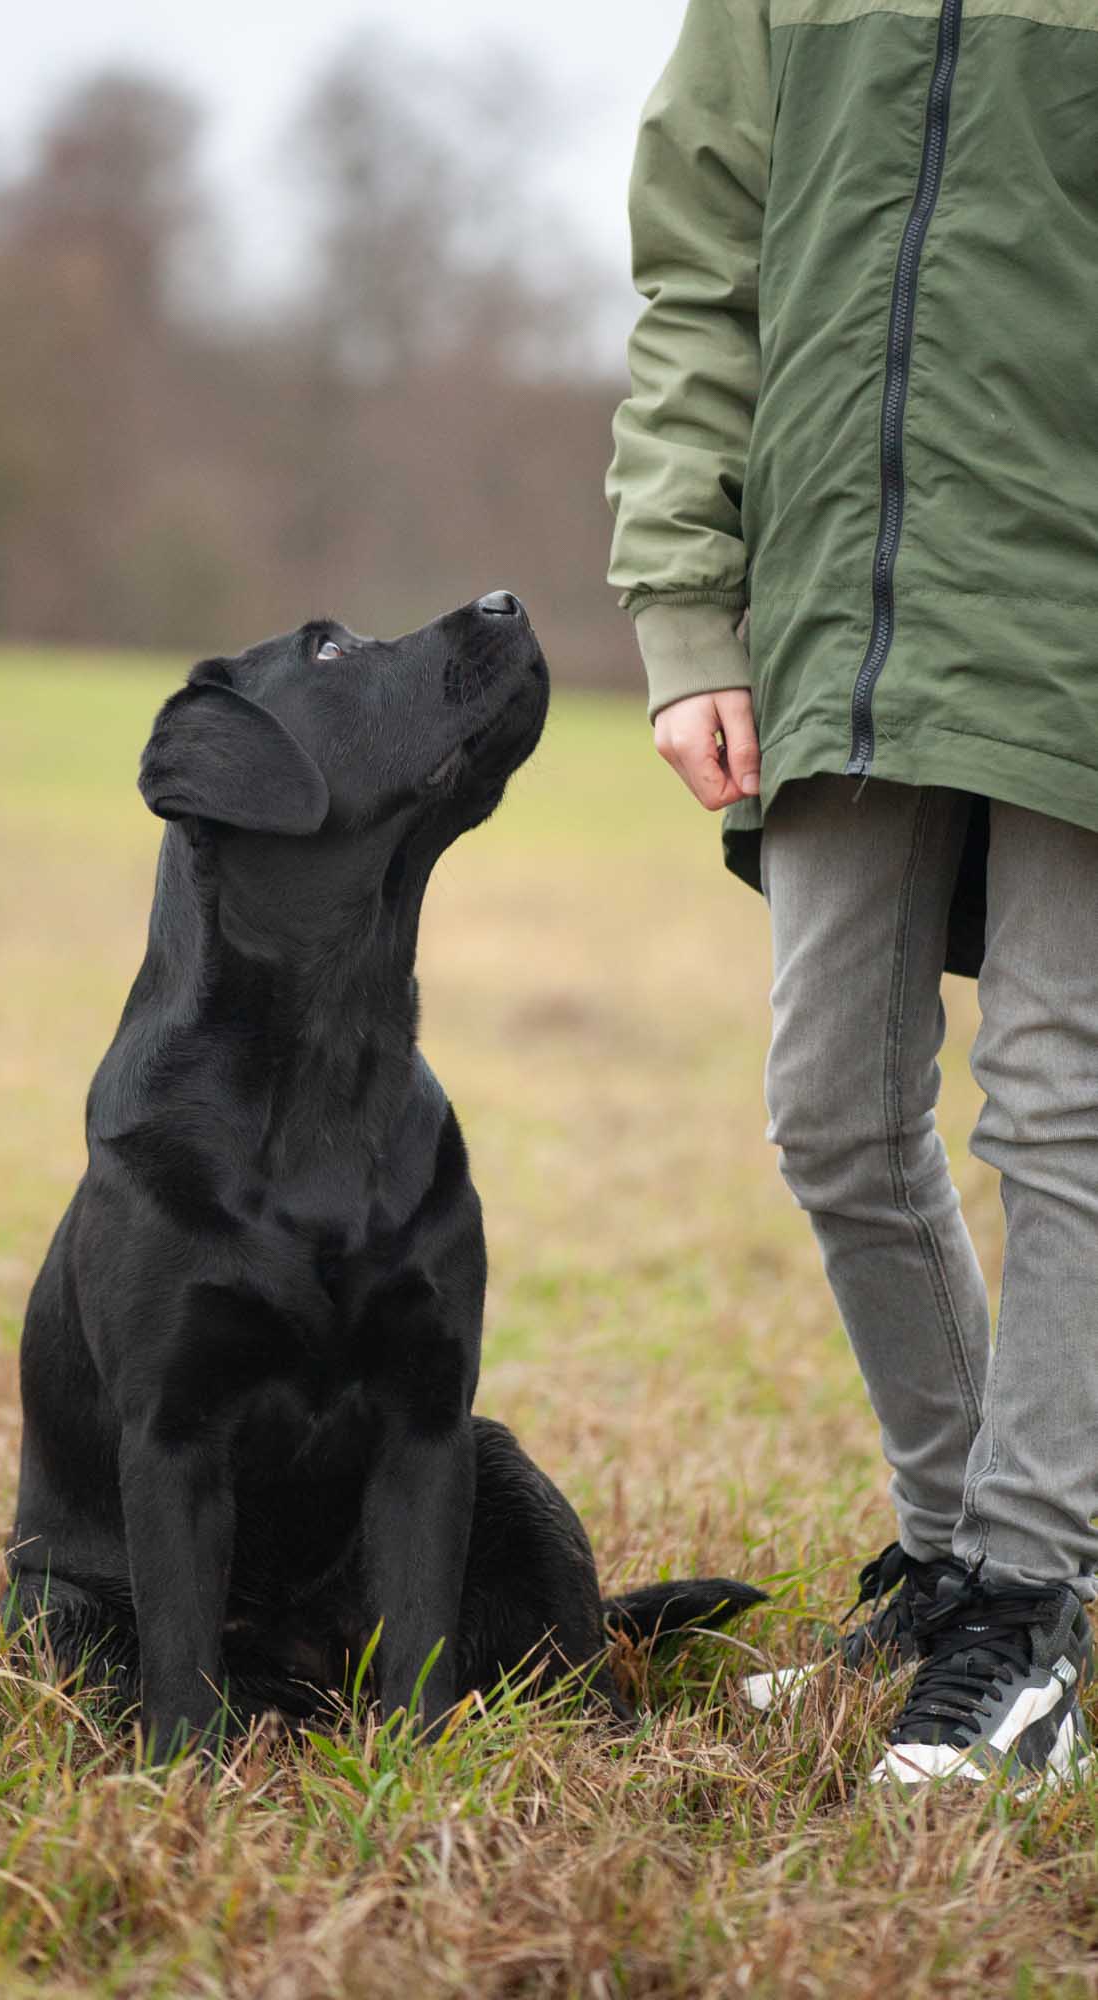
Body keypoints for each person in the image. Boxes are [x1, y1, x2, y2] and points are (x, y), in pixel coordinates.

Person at [606, 0, 1098, 1789]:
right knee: (830, 1107)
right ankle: (966, 1559)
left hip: (1078, 609)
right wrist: (689, 612)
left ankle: (1030, 1614)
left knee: (1060, 1100)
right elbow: (697, 275)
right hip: (839, 612)